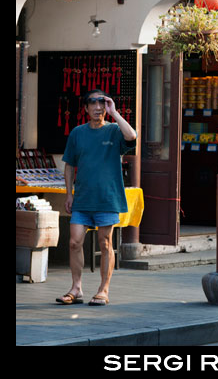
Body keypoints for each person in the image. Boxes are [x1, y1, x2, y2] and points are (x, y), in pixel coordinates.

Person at [56, 90, 137, 306]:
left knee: (105, 243)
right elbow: (69, 166)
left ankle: (103, 289)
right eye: (93, 103)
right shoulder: (77, 133)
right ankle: (76, 288)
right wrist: (68, 194)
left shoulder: (113, 130)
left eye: (102, 103)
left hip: (107, 198)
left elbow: (132, 136)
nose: (98, 107)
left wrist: (116, 113)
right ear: (85, 108)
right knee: (74, 242)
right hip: (82, 197)